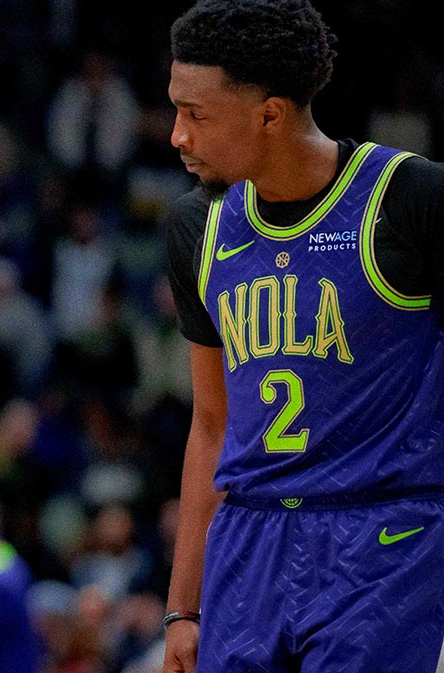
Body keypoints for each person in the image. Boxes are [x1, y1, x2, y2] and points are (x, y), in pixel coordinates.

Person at [161, 1, 444, 671]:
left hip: (381, 535)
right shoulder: (198, 227)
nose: (177, 134)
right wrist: (183, 607)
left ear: (271, 114)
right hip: (247, 539)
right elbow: (210, 425)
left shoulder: (409, 199)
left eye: (196, 115)